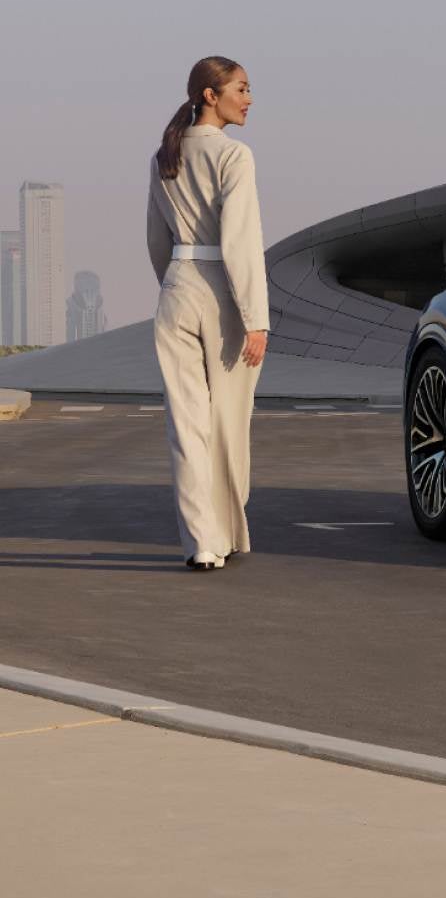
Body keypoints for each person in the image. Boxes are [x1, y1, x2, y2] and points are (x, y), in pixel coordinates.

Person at [147, 57, 269, 569]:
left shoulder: (164, 156)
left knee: (186, 424)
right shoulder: (234, 156)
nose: (249, 98)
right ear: (210, 95)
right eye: (241, 88)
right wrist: (256, 318)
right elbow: (240, 242)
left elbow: (157, 240)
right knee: (228, 421)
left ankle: (202, 541)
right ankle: (226, 529)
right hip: (223, 292)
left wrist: (175, 286)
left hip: (176, 288)